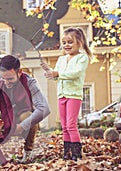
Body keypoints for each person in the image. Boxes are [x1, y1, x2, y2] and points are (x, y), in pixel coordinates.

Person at [40, 27, 92, 161]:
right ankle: (67, 152)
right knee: (64, 126)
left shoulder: (82, 58)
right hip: (61, 95)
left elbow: (75, 74)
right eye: (64, 42)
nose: (66, 45)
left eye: (70, 42)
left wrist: (57, 74)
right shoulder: (61, 59)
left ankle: (76, 152)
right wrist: (51, 73)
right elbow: (58, 77)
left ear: (79, 43)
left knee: (71, 125)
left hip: (73, 95)